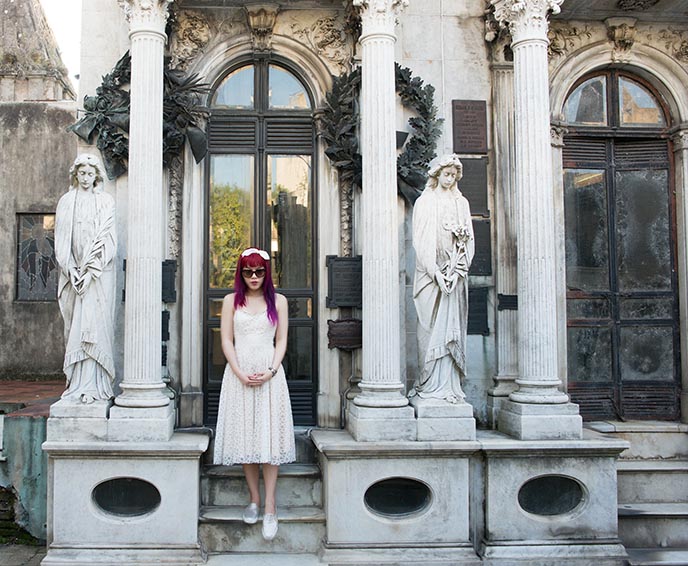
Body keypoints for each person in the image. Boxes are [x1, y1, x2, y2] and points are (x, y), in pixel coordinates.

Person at [213, 247, 295, 541]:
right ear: (241, 273)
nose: (254, 277)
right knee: (246, 437)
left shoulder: (280, 302)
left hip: (270, 376)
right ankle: (254, 500)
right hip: (240, 375)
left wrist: (272, 370)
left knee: (269, 440)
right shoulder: (230, 301)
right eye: (248, 272)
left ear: (267, 273)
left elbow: (282, 339)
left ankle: (270, 506)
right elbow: (226, 339)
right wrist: (238, 372)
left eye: (259, 271)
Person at [410, 154, 474, 404]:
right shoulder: (425, 202)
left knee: (452, 333)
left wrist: (457, 270)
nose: (450, 179)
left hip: (454, 277)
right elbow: (420, 241)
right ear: (436, 175)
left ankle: (449, 388)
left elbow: (468, 240)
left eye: (453, 175)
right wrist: (436, 272)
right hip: (430, 277)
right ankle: (428, 385)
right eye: (446, 174)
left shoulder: (462, 204)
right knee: (428, 332)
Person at [55, 154, 117, 404]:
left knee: (96, 326)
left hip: (98, 276)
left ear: (96, 176)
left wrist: (91, 271)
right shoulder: (67, 201)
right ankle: (77, 384)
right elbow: (61, 240)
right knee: (77, 328)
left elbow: (109, 240)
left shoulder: (105, 201)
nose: (85, 177)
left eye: (90, 173)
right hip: (73, 275)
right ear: (75, 174)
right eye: (81, 173)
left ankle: (95, 386)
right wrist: (71, 269)